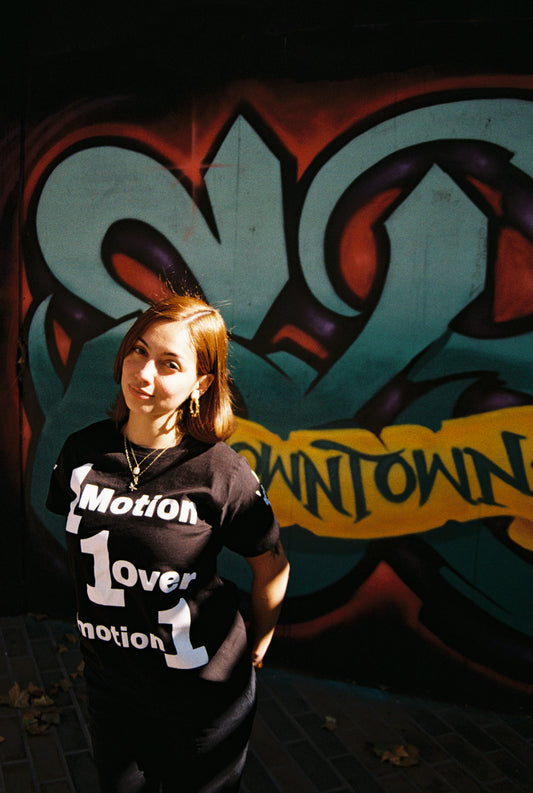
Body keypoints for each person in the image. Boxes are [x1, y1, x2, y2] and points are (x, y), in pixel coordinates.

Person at [46, 294, 290, 793]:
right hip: (112, 690)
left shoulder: (221, 473)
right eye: (138, 351)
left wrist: (260, 641)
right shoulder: (81, 453)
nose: (143, 373)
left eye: (169, 363)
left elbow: (271, 567)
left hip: (203, 697)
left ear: (201, 383)